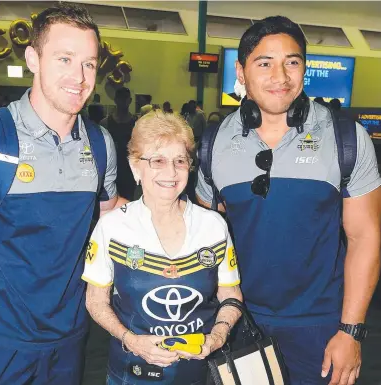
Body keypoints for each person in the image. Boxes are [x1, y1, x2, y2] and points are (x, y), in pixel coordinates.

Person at [196, 16, 381, 385]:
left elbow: (365, 237)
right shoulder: (213, 143)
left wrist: (351, 331)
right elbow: (204, 239)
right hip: (238, 322)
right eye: (264, 63)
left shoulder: (346, 138)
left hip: (322, 327)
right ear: (242, 70)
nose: (280, 76)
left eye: (292, 62)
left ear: (304, 68)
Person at [0, 4, 125, 384]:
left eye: (89, 63)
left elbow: (112, 216)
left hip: (70, 340)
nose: (79, 76)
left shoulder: (101, 144)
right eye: (65, 59)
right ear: (33, 58)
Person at [83, 110, 243, 385]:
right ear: (135, 167)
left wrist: (216, 337)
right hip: (131, 373)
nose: (170, 172)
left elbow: (231, 294)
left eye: (180, 161)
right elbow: (95, 301)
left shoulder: (213, 225)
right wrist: (130, 340)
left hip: (199, 373)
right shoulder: (113, 228)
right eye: (157, 160)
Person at [100, 87, 137, 200]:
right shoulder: (105, 123)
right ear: (115, 100)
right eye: (120, 99)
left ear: (129, 100)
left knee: (127, 203)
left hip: (129, 172)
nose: (122, 102)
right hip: (110, 171)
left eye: (125, 99)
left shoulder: (136, 124)